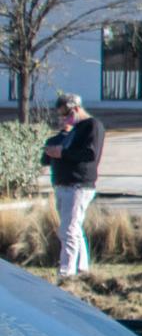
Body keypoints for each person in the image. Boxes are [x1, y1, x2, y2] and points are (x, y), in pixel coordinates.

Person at [45, 93, 103, 281]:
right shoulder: (76, 129)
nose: (65, 120)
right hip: (65, 183)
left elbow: (89, 153)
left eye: (67, 115)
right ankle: (81, 268)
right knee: (74, 228)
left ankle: (66, 272)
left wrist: (62, 153)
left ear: (76, 109)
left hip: (78, 184)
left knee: (68, 229)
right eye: (61, 116)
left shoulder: (91, 126)